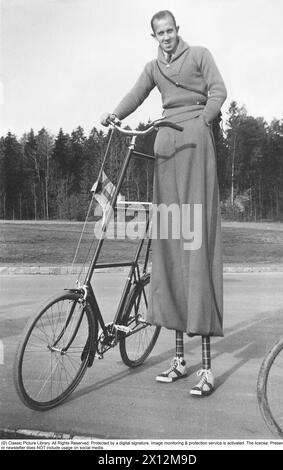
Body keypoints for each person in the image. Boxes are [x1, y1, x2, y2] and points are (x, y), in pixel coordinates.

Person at [100, 10, 227, 396]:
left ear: (178, 30)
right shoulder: (153, 67)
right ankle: (178, 360)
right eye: (160, 33)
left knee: (196, 246)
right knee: (170, 247)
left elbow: (219, 91)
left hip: (196, 145)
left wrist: (202, 120)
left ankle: (206, 368)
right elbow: (136, 95)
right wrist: (114, 114)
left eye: (171, 30)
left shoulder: (200, 54)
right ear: (153, 35)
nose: (167, 37)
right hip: (166, 147)